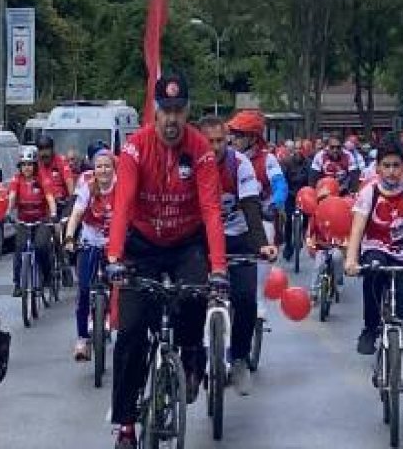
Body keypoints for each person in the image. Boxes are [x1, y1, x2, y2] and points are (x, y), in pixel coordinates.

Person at [106, 72, 228, 449]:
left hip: (186, 243)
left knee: (194, 296)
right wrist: (113, 257)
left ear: (187, 110)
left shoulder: (201, 149)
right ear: (155, 112)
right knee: (129, 334)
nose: (172, 119)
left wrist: (220, 268)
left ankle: (192, 357)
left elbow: (210, 210)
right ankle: (126, 424)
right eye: (165, 110)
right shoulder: (135, 148)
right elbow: (123, 204)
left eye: (178, 110)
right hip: (141, 245)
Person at [344, 135, 403, 415]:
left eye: (397, 165)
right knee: (374, 271)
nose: (392, 171)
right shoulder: (369, 191)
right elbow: (357, 228)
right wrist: (351, 259)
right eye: (387, 166)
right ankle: (370, 328)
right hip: (376, 249)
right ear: (377, 168)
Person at [200, 115, 277, 395]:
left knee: (245, 299)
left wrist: (261, 244)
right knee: (190, 297)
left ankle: (241, 357)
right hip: (203, 239)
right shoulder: (192, 162)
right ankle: (193, 356)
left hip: (239, 237)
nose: (216, 147)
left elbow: (250, 206)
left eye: (221, 141)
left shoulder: (239, 164)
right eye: (210, 142)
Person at [227, 110, 289, 317]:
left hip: (259, 216)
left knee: (266, 233)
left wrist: (274, 204)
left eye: (239, 134)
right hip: (228, 217)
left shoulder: (267, 159)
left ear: (253, 138)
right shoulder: (225, 157)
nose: (233, 138)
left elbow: (280, 185)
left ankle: (258, 297)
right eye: (232, 133)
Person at [65, 145, 117, 360]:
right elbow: (76, 214)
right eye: (99, 167)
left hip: (113, 244)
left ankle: (109, 317)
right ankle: (82, 340)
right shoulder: (87, 186)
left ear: (113, 169)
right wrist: (69, 237)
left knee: (117, 284)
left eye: (107, 166)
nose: (103, 170)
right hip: (90, 241)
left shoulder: (120, 186)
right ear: (93, 169)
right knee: (85, 288)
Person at [8, 145, 60, 297]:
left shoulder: (43, 179)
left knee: (41, 246)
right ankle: (18, 283)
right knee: (19, 248)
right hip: (23, 221)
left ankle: (47, 276)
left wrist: (54, 214)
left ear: (35, 165)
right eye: (23, 164)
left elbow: (50, 198)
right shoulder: (16, 180)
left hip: (41, 221)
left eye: (30, 164)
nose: (27, 168)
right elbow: (12, 197)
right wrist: (8, 212)